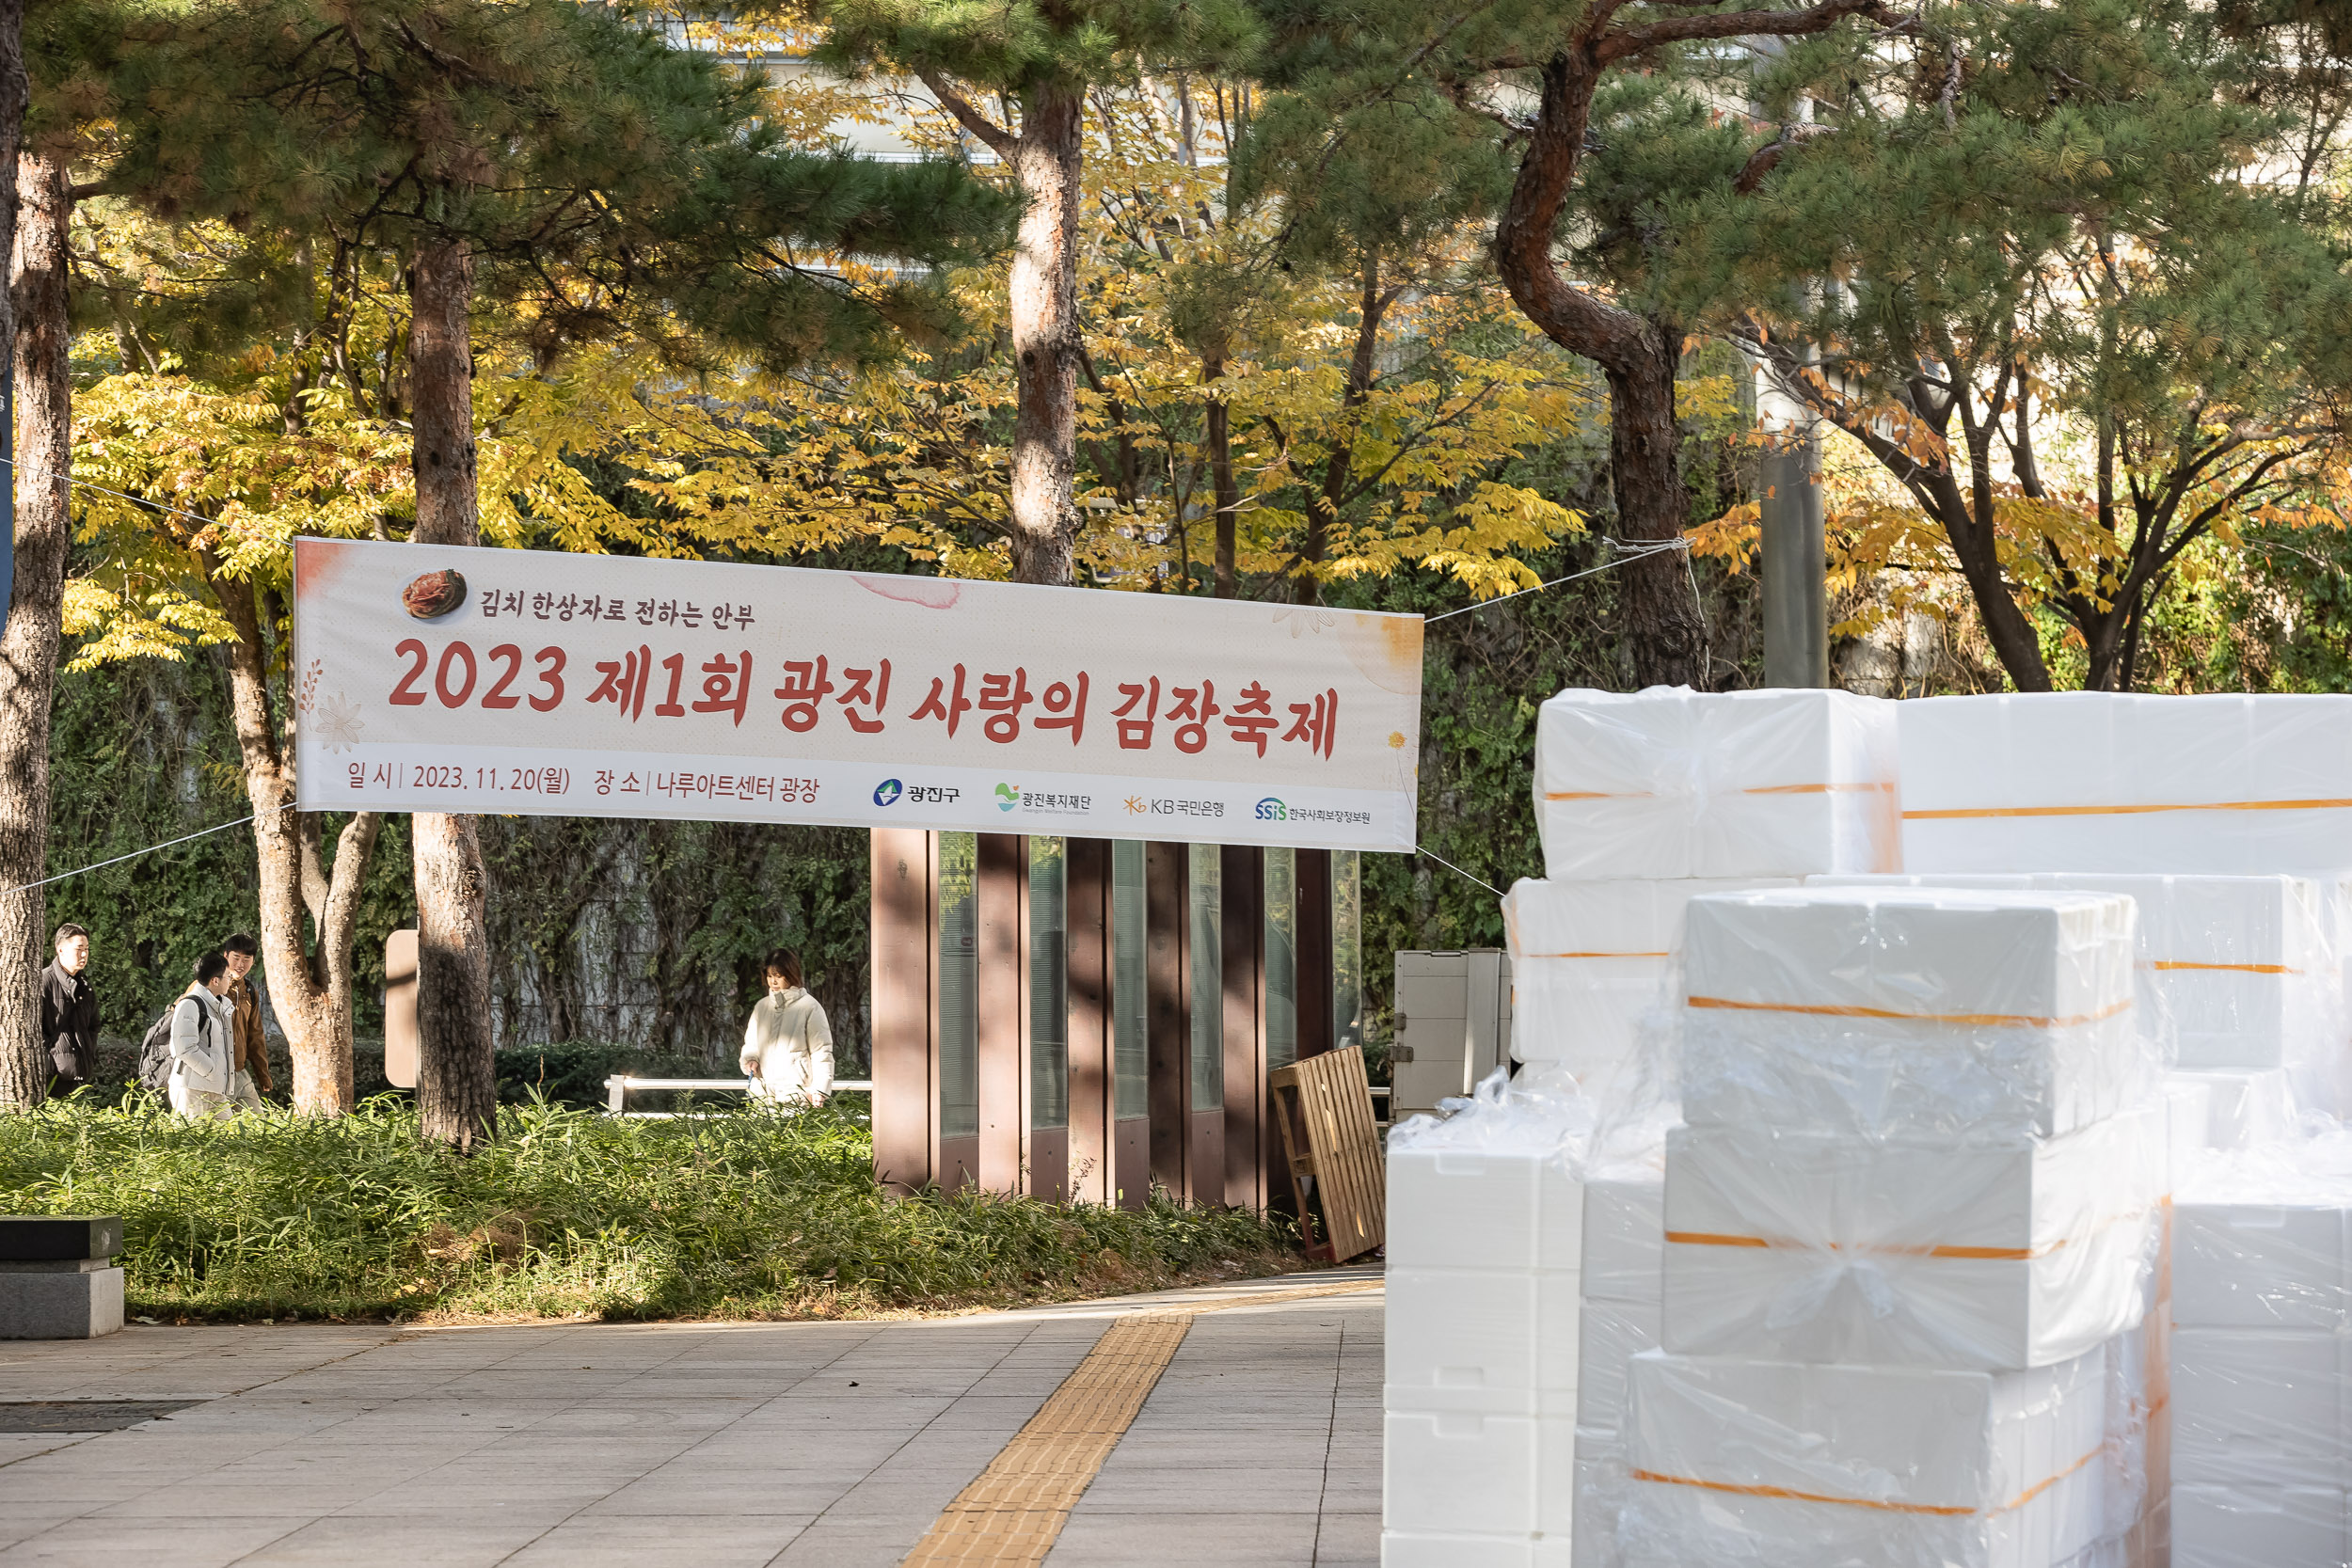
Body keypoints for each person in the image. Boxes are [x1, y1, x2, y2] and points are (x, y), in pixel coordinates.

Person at [740, 948, 834, 1108]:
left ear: (791, 975)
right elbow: (751, 1044)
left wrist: (820, 1089)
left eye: (778, 976)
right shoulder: (761, 1007)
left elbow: (821, 1052)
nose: (773, 982)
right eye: (769, 976)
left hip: (798, 1096)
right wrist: (751, 1060)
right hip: (763, 1096)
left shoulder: (810, 1007)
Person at [167, 951, 240, 1120]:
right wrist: (211, 1070)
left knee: (228, 1140)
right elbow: (183, 1048)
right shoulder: (189, 1005)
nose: (230, 981)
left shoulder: (220, 1007)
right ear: (215, 980)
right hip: (190, 1089)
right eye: (228, 977)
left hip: (215, 1089)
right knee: (190, 1143)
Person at [40, 923, 97, 1096]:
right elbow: (34, 1029)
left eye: (86, 948)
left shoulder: (85, 987)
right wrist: (49, 1061)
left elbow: (94, 1026)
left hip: (79, 1079)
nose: (84, 954)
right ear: (60, 950)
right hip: (51, 1079)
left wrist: (89, 1053)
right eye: (79, 949)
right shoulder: (44, 982)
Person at [220, 933, 273, 1109]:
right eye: (236, 958)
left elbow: (255, 1035)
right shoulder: (210, 986)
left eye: (246, 959)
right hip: (215, 1074)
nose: (240, 964)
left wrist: (263, 1075)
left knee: (257, 1124)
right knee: (217, 1129)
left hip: (240, 1072)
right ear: (225, 956)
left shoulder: (250, 991)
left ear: (253, 961)